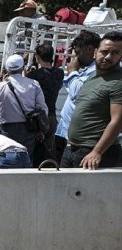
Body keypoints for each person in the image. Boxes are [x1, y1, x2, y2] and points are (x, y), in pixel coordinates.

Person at [62, 31, 122, 169]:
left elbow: (118, 121)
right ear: (95, 52)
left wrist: (97, 152)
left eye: (115, 53)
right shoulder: (92, 76)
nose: (107, 57)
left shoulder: (118, 81)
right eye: (104, 51)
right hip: (72, 149)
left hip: (94, 154)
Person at [56, 30, 101, 161]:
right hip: (69, 134)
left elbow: (77, 93)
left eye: (78, 52)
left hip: (82, 142)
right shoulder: (88, 69)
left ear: (89, 49)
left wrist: (73, 71)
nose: (75, 57)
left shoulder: (96, 70)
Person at [0, 54, 48, 161]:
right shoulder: (33, 84)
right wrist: (42, 128)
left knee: (8, 158)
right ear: (23, 68)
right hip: (29, 127)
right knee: (27, 157)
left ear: (6, 69)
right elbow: (42, 108)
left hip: (7, 128)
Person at [26, 44, 63, 165]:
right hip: (52, 114)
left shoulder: (33, 76)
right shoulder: (59, 73)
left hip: (38, 117)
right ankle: (52, 168)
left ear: (37, 57)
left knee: (33, 147)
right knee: (50, 147)